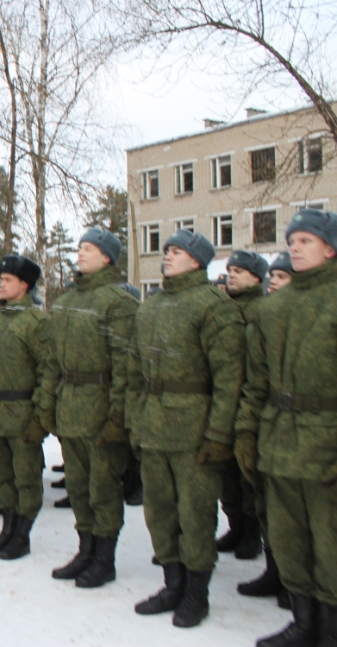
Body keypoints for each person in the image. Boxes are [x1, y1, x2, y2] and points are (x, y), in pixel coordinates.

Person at [128, 229, 244, 628]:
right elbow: (134, 371)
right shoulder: (151, 307)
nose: (167, 256)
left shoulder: (214, 306)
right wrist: (135, 420)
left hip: (194, 430)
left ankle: (197, 594)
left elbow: (229, 378)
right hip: (153, 426)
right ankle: (172, 584)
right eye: (167, 251)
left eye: (176, 251)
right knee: (159, 512)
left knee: (195, 515)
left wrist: (218, 434)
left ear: (197, 261)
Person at [236, 209, 337, 647]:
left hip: (327, 442)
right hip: (278, 441)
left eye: (306, 241)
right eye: (292, 240)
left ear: (330, 249)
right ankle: (303, 622)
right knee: (288, 537)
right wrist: (246, 432)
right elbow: (256, 382)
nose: (294, 247)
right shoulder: (272, 309)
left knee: (330, 541)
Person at [38, 228, 137, 588]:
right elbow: (52, 361)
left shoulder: (119, 303)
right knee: (78, 487)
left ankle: (104, 559)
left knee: (103, 488)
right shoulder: (65, 302)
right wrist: (48, 403)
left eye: (89, 249)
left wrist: (118, 416)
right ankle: (86, 550)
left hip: (100, 408)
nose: (80, 253)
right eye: (79, 247)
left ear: (107, 258)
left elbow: (126, 365)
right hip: (70, 406)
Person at [0, 255, 49, 561]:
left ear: (25, 285)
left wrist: (40, 418)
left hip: (22, 413)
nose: (0, 284)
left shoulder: (36, 322)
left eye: (7, 280)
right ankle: (7, 529)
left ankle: (22, 535)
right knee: (3, 475)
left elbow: (48, 372)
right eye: (0, 279)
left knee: (25, 477)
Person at [217, 250, 269, 562]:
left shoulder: (264, 310)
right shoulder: (223, 308)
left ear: (257, 278)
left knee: (248, 473)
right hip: (224, 401)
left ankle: (252, 533)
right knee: (226, 473)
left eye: (239, 271)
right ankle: (236, 526)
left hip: (251, 402)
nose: (231, 275)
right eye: (230, 270)